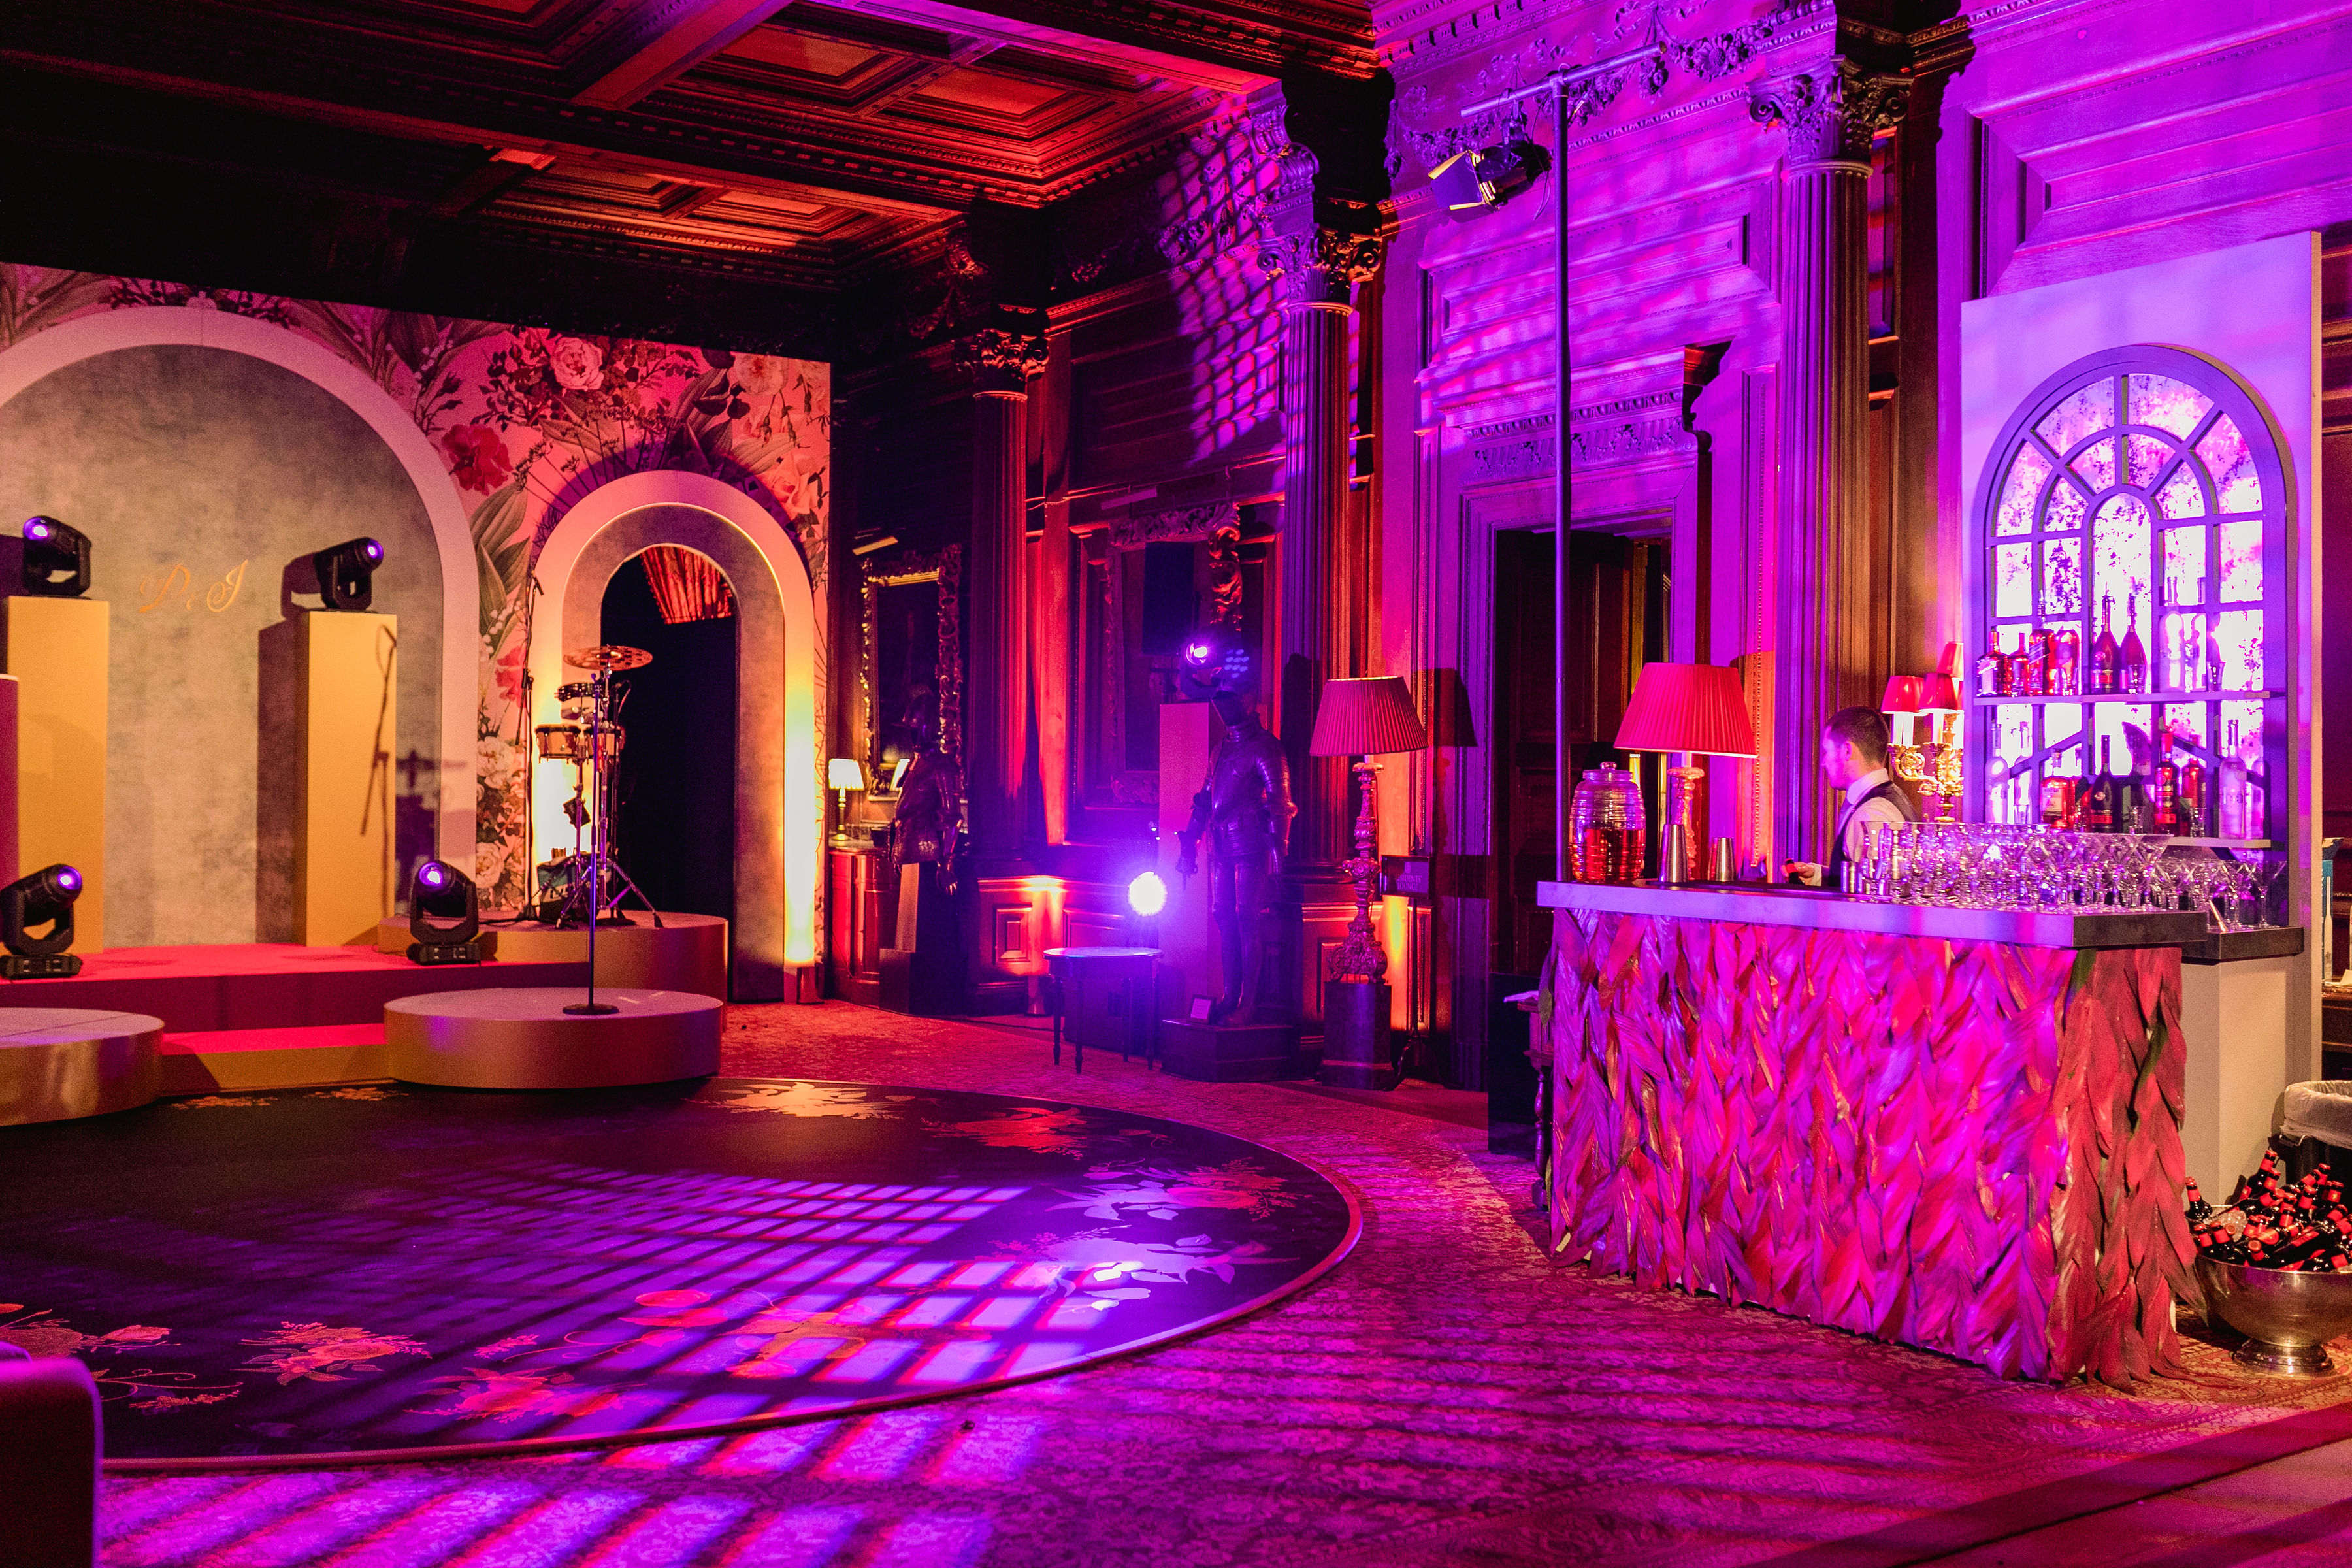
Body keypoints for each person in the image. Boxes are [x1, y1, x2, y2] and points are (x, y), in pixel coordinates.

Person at [1783, 704, 1918, 889]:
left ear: (1847, 750)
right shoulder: (1884, 799)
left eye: (1827, 751)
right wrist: (1819, 876)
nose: (1823, 763)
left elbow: (1876, 894)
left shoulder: (1872, 813)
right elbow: (1864, 879)